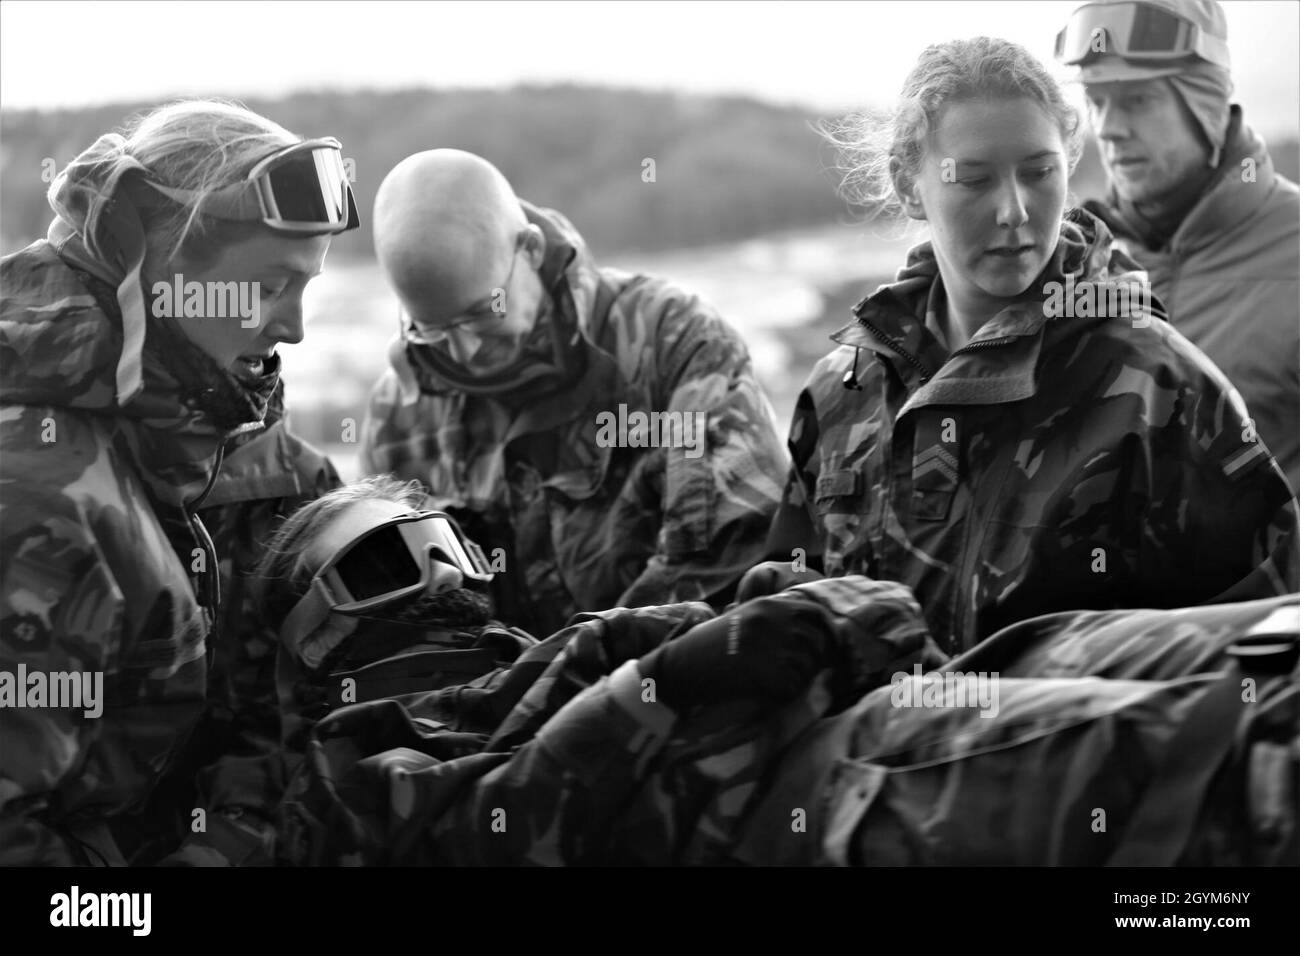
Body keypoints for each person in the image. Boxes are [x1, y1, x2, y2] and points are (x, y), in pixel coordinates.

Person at [257, 479, 1297, 866]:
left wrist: (753, 604)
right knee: (1218, 761)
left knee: (1241, 645)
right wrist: (683, 673)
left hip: (884, 695)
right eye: (389, 560)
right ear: (311, 630)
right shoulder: (345, 759)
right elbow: (487, 829)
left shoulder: (540, 654)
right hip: (805, 787)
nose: (445, 573)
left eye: (450, 542)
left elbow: (687, 631)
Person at [764, 36, 1299, 656]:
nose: (1014, 210)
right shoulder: (841, 392)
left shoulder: (1159, 385)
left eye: (1039, 173)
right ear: (909, 188)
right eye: (974, 179)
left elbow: (1265, 650)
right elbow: (782, 624)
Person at [0, 99, 358, 865]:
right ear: (153, 274)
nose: (294, 327)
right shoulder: (40, 498)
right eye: (267, 286)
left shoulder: (186, 438)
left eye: (307, 287)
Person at [360, 149, 788, 636]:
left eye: (482, 314)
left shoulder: (673, 345)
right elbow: (399, 623)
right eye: (433, 328)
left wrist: (556, 683)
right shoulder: (400, 415)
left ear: (531, 250)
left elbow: (727, 569)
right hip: (489, 707)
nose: (465, 352)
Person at [1056, 0, 1300, 494]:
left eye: (1137, 100)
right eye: (1097, 101)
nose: (1107, 127)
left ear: (1203, 105)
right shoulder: (1074, 265)